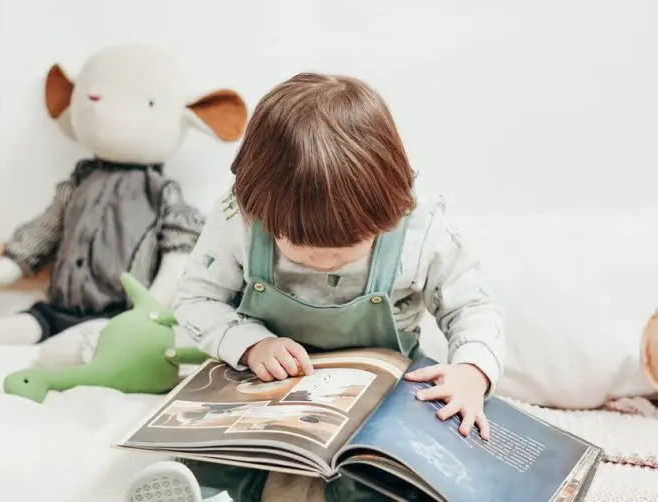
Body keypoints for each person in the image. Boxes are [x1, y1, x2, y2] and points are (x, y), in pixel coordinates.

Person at [125, 72, 505, 502]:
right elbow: (196, 298)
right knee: (224, 459)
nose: (325, 260)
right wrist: (251, 345)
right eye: (300, 246)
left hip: (382, 392)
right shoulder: (239, 219)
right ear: (257, 207)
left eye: (349, 246)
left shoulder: (422, 228)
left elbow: (473, 307)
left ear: (393, 203)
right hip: (264, 383)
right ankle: (201, 491)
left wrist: (473, 372)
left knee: (384, 474)